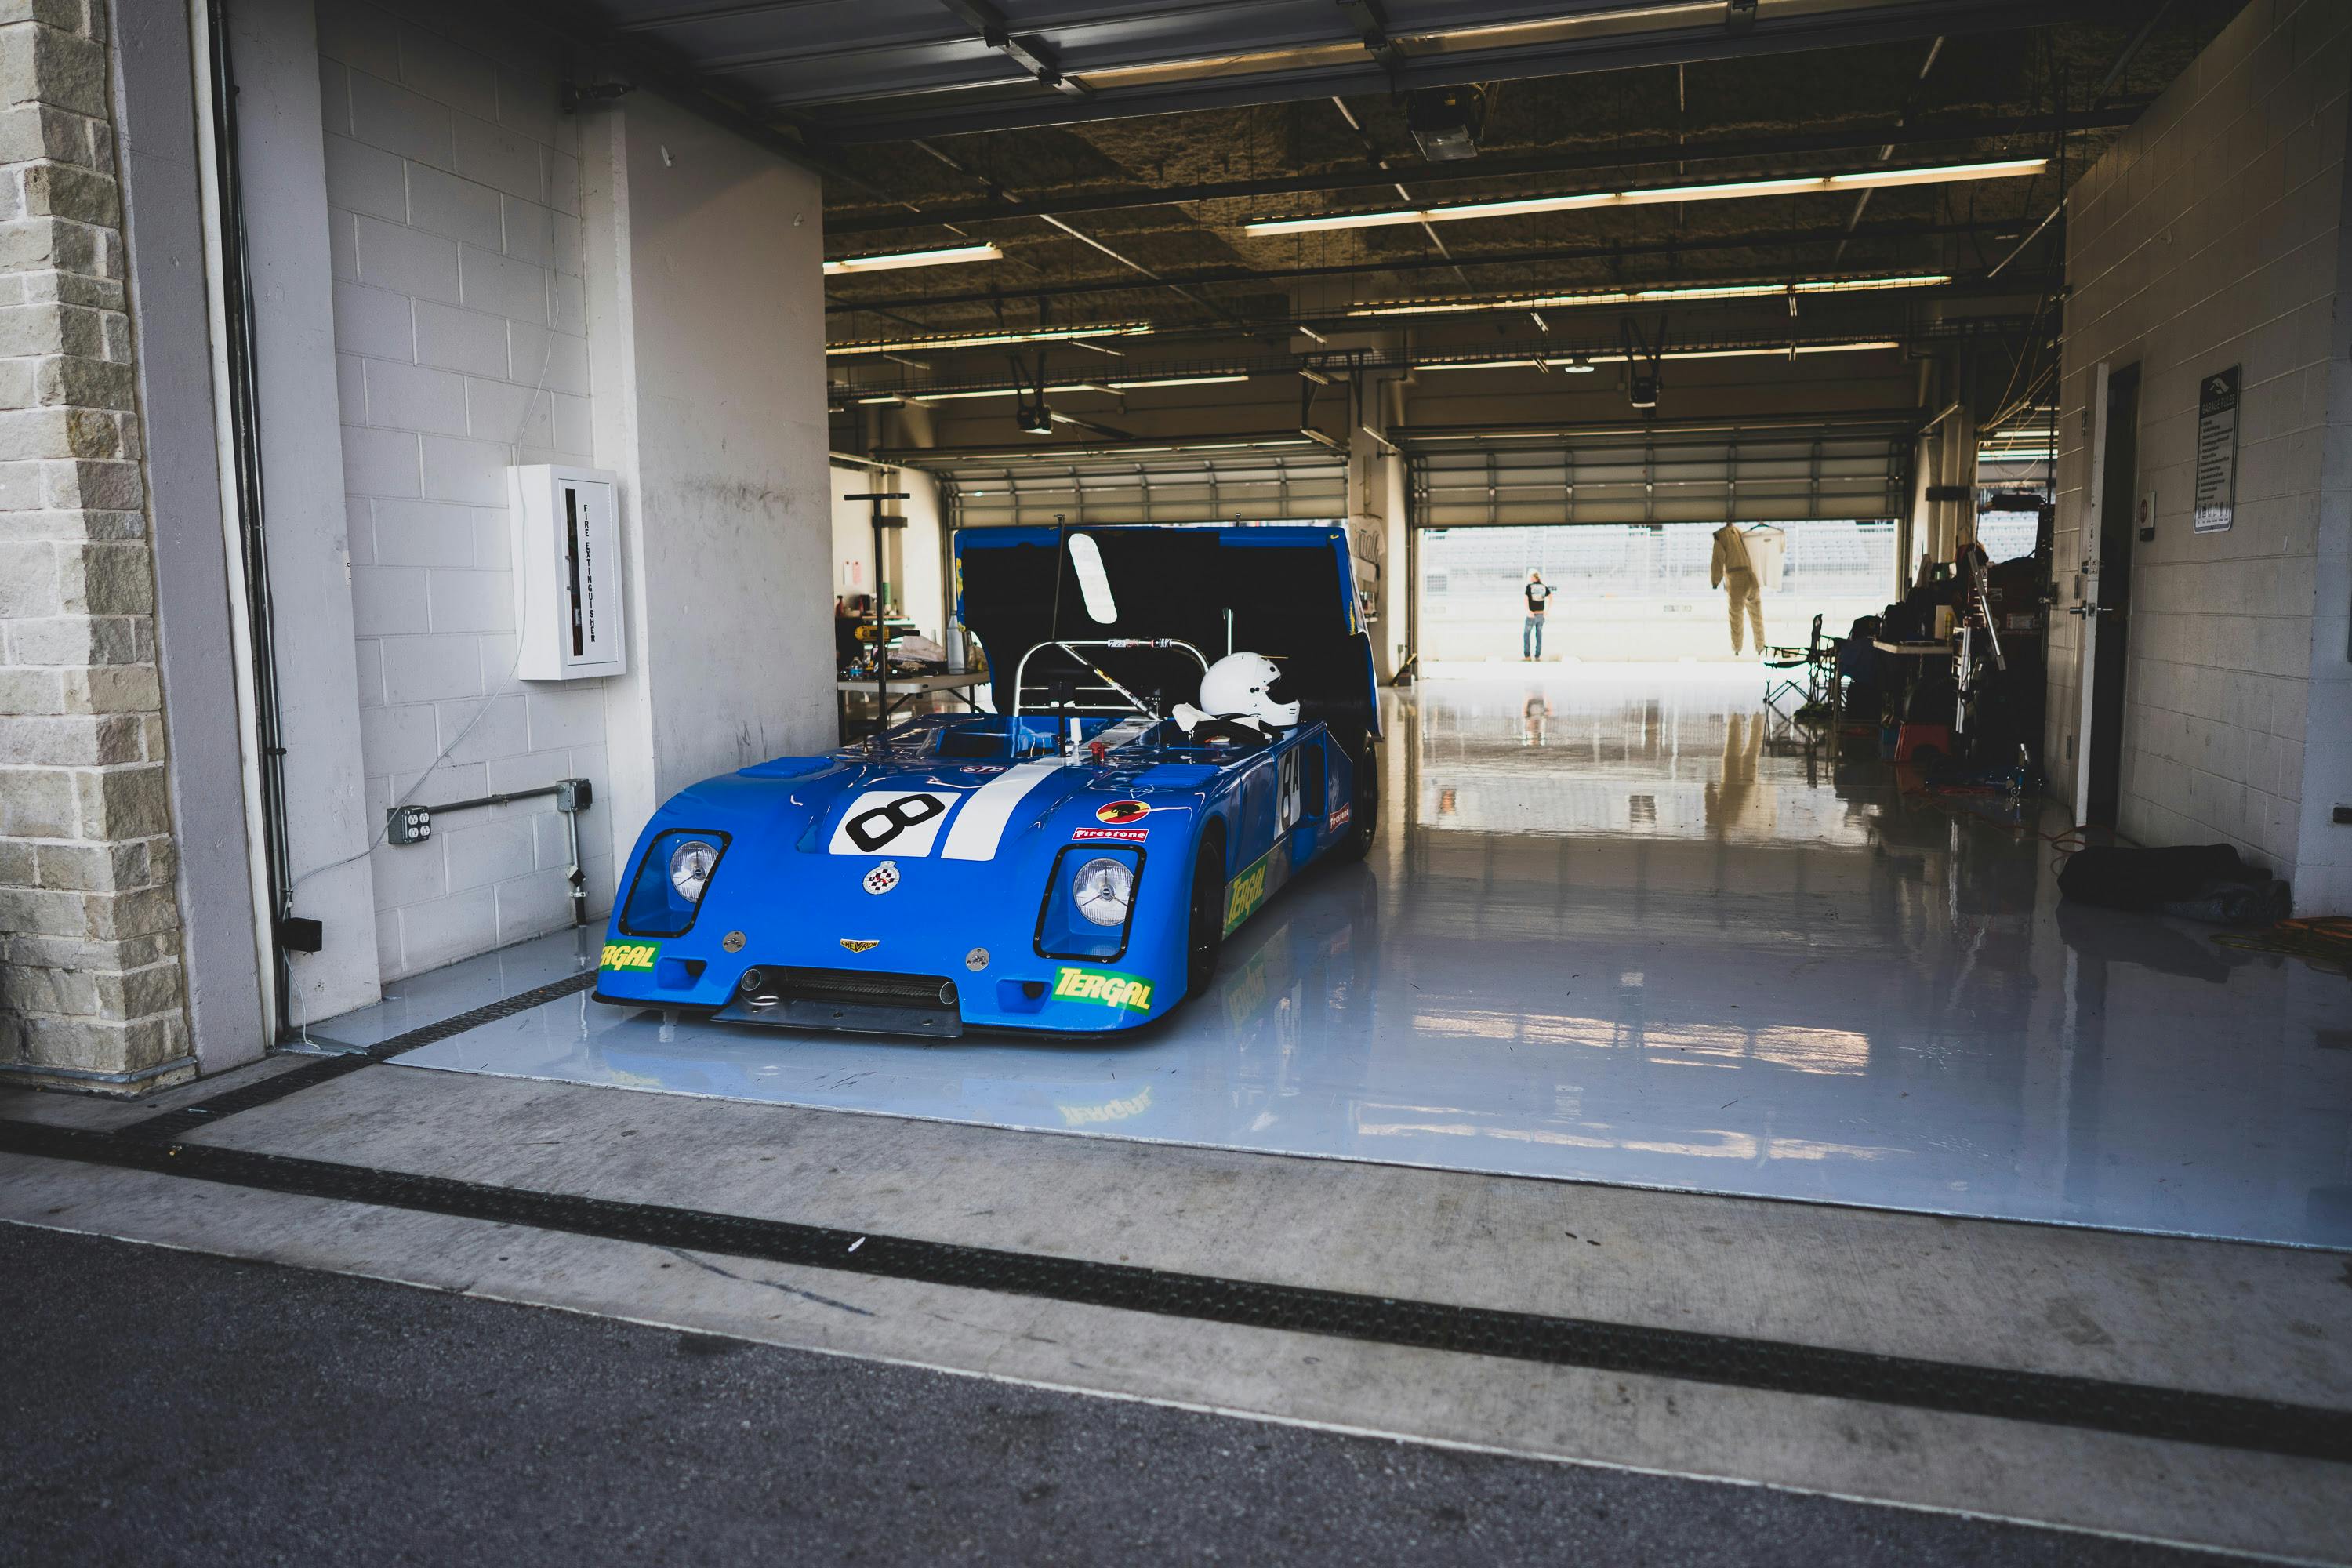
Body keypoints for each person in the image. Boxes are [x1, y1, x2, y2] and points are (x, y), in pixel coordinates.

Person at [1522, 570, 1556, 660]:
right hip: (1541, 615)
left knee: (1526, 635)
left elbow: (1525, 599)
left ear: (1534, 578)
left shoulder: (1530, 587)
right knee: (1539, 635)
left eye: (1531, 577)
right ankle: (1537, 656)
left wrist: (1529, 610)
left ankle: (1527, 656)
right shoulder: (1544, 587)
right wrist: (1546, 611)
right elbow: (1551, 598)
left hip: (1532, 615)